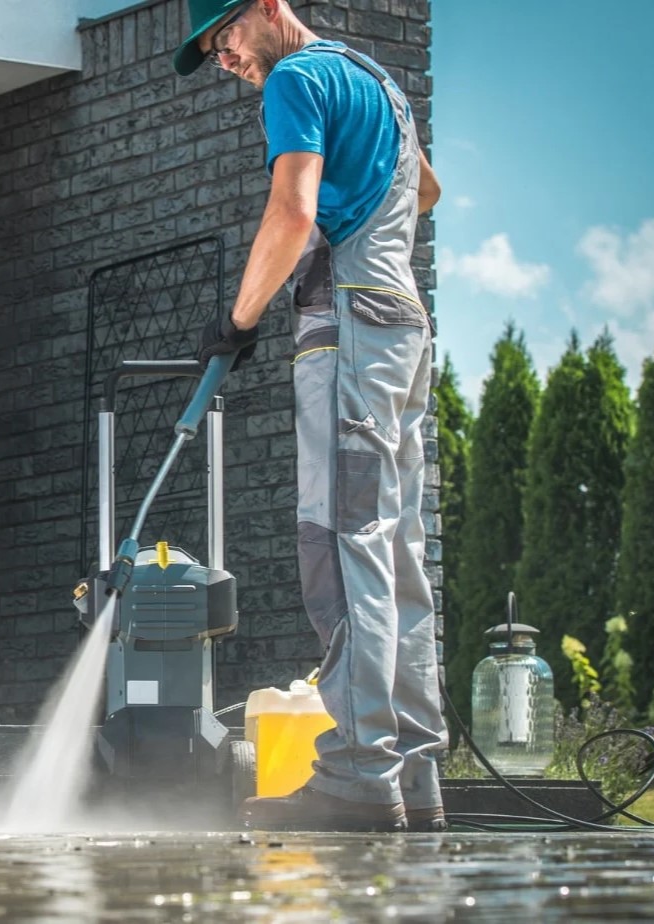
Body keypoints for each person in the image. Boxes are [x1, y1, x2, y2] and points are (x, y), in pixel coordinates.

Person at [175, 0, 447, 832]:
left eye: (224, 38)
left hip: (352, 327)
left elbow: (292, 212)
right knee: (394, 547)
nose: (225, 59)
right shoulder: (377, 82)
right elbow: (426, 190)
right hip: (401, 321)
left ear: (265, 8)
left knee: (340, 536)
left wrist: (240, 317)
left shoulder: (294, 78)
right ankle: (415, 771)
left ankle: (361, 773)